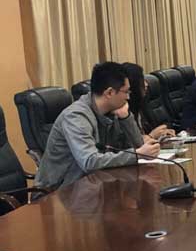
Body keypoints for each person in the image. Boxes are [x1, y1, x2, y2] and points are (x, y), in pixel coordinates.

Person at [35, 62, 161, 190]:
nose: (128, 97)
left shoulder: (112, 111)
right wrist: (136, 155)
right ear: (110, 92)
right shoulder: (76, 117)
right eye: (126, 91)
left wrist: (125, 118)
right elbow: (89, 162)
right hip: (59, 192)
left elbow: (138, 146)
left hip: (94, 185)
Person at [122, 62, 175, 143]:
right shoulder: (122, 114)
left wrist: (162, 133)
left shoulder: (142, 103)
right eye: (142, 80)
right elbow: (133, 145)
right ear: (134, 85)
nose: (146, 84)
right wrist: (152, 135)